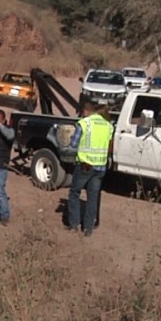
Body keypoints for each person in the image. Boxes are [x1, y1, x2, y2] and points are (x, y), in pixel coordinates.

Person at [66, 101, 114, 236]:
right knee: (92, 197)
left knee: (75, 193)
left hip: (85, 165)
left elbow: (74, 144)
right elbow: (109, 146)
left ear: (86, 111)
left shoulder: (85, 123)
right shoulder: (108, 126)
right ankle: (88, 229)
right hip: (100, 167)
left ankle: (74, 224)